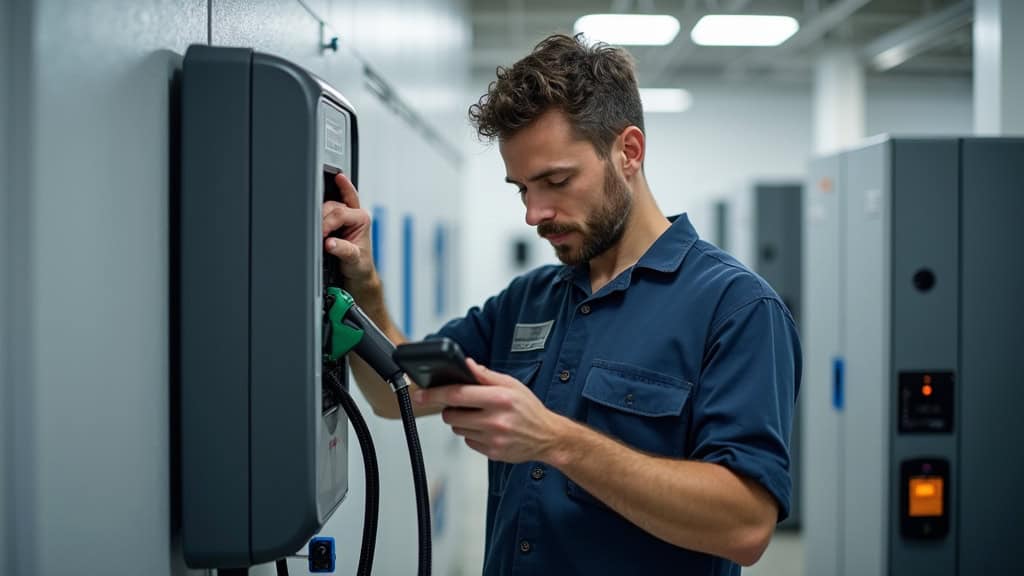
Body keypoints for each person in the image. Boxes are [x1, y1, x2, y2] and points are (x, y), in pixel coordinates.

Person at [322, 33, 800, 576]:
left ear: (629, 152)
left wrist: (555, 440)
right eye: (522, 188)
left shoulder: (736, 308)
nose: (534, 212)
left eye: (556, 180)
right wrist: (362, 280)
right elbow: (398, 394)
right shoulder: (530, 298)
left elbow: (745, 526)